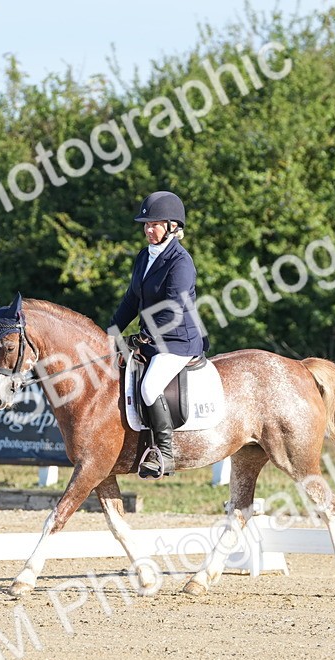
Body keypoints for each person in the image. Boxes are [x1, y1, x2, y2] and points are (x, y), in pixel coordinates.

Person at [106, 190, 209, 479]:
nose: (148, 229)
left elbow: (173, 308)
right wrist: (110, 333)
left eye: (155, 224)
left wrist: (144, 337)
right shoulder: (144, 257)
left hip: (178, 340)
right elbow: (131, 300)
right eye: (146, 224)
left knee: (149, 387)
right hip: (153, 338)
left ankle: (165, 453)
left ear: (173, 227)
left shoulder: (180, 262)